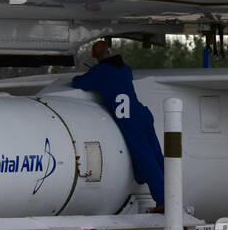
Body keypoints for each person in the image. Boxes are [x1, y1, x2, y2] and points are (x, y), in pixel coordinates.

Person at [71, 40, 166, 210]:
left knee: (145, 158)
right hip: (142, 113)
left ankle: (162, 201)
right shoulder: (124, 67)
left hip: (130, 119)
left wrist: (89, 73)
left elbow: (79, 83)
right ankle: (173, 195)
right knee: (157, 156)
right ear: (110, 50)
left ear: (95, 56)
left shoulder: (101, 71)